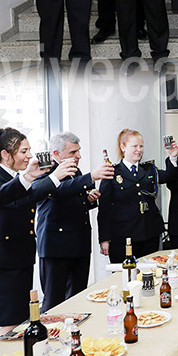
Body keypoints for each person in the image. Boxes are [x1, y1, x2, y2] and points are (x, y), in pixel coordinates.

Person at [0, 128, 77, 326]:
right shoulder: (9, 179)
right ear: (5, 154)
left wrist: (30, 177)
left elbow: (27, 196)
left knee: (21, 317)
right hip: (7, 261)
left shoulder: (15, 177)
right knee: (9, 322)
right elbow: (10, 197)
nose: (30, 156)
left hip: (21, 256)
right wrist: (49, 178)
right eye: (24, 151)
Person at [36, 132, 114, 311]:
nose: (79, 156)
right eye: (73, 152)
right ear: (56, 154)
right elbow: (58, 193)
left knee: (77, 299)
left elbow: (71, 200)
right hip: (56, 247)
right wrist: (91, 177)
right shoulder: (44, 170)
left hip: (78, 244)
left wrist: (89, 200)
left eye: (78, 151)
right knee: (54, 302)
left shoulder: (74, 171)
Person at [98, 128, 178, 263]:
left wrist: (173, 156)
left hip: (149, 234)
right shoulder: (112, 172)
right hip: (123, 237)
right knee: (125, 278)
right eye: (134, 146)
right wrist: (104, 239)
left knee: (151, 277)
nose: (139, 150)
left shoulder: (149, 170)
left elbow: (170, 176)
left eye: (141, 146)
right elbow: (104, 209)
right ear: (123, 147)